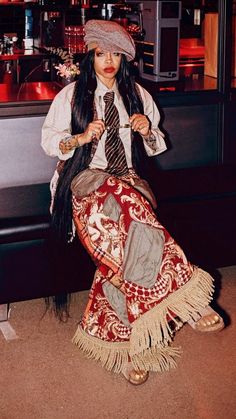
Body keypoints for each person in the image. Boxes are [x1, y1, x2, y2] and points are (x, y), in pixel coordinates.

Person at [41, 20, 224, 385]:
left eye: (115, 54)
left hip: (129, 183)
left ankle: (131, 349)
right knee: (128, 209)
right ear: (90, 56)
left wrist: (147, 131)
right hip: (85, 186)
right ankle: (187, 297)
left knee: (123, 250)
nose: (108, 61)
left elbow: (158, 144)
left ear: (125, 59)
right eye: (100, 53)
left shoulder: (138, 95)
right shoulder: (72, 95)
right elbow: (49, 143)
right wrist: (79, 138)